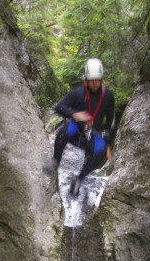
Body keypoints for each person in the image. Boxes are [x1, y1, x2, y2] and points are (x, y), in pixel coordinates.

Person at [46, 58, 116, 196]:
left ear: (101, 79)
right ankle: (55, 162)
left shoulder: (108, 96)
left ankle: (78, 180)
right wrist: (74, 114)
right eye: (92, 80)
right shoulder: (78, 93)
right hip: (75, 130)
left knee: (101, 150)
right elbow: (59, 107)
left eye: (97, 79)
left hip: (90, 135)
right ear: (87, 79)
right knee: (63, 132)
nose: (95, 83)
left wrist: (108, 144)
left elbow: (110, 123)